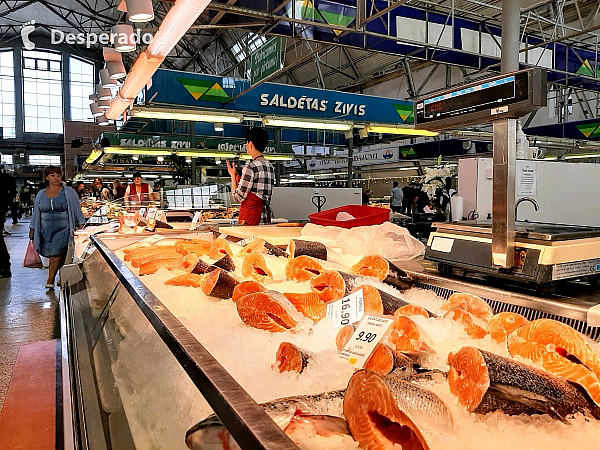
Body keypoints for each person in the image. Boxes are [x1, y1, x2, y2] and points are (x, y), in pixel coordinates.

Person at [29, 166, 85, 288]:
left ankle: (50, 280)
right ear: (47, 177)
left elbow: (76, 209)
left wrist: (81, 224)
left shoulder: (69, 192)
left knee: (55, 254)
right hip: (45, 230)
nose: (56, 178)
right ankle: (63, 276)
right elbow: (36, 213)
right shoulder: (40, 194)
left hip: (64, 228)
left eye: (58, 175)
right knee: (59, 254)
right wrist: (32, 228)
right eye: (52, 175)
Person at [226, 127, 275, 226]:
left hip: (251, 220)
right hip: (265, 218)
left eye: (247, 143)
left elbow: (237, 197)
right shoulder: (270, 166)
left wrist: (232, 176)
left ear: (250, 144)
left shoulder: (250, 167)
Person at [0, 167, 16, 277]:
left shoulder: (4, 177)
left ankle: (5, 266)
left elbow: (12, 192)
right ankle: (5, 266)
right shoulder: (5, 177)